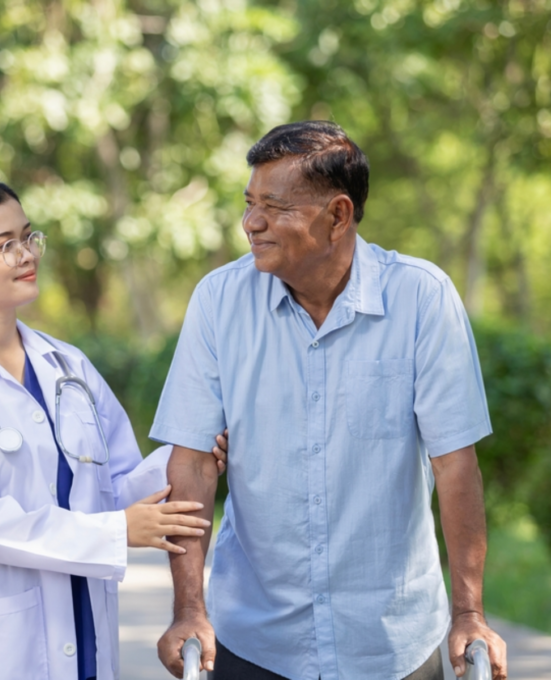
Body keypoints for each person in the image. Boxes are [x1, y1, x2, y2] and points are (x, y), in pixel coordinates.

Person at [151, 121, 507, 680]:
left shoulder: (421, 298)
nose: (252, 223)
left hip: (391, 643)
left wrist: (469, 614)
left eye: (275, 206)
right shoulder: (219, 301)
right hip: (255, 638)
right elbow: (193, 462)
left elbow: (455, 463)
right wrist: (188, 610)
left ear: (338, 215)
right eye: (249, 203)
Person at [0, 177, 228, 680]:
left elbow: (119, 485)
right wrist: (116, 531)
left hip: (82, 629)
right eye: (3, 245)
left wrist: (194, 451)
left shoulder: (68, 367)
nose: (26, 254)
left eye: (28, 237)